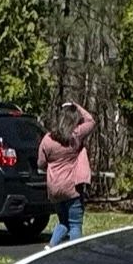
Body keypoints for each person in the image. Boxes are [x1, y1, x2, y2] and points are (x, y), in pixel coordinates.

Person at [38, 100, 95, 245]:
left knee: (63, 222)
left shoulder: (47, 139)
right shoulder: (75, 136)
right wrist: (76, 105)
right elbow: (90, 120)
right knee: (75, 224)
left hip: (55, 188)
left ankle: (50, 248)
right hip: (72, 188)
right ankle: (76, 254)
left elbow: (41, 163)